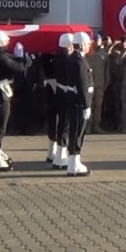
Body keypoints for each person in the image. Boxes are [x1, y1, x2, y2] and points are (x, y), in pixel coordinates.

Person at [0, 31, 26, 171]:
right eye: (5, 42)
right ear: (0, 43)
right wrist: (20, 57)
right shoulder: (0, 57)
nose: (7, 44)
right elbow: (19, 68)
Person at [64, 32, 93, 176]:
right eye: (88, 43)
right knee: (77, 132)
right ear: (81, 45)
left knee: (75, 131)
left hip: (73, 99)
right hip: (78, 101)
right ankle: (74, 163)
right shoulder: (79, 61)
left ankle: (73, 161)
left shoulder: (72, 59)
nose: (89, 46)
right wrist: (86, 105)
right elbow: (82, 85)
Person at [50, 33, 73, 169]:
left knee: (61, 123)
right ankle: (61, 155)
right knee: (65, 124)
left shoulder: (56, 57)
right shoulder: (67, 59)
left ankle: (59, 152)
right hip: (66, 92)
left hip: (59, 91)